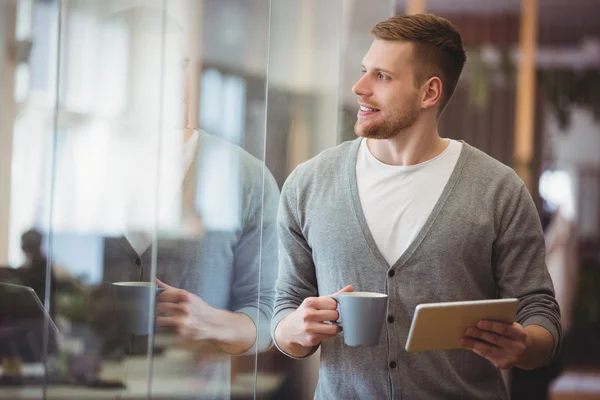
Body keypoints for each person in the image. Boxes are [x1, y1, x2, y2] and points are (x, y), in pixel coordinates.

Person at [272, 13, 562, 399]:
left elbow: (540, 311)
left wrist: (523, 344)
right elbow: (285, 310)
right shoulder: (308, 184)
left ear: (429, 93)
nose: (359, 88)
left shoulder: (499, 190)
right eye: (364, 71)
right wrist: (293, 331)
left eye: (382, 77)